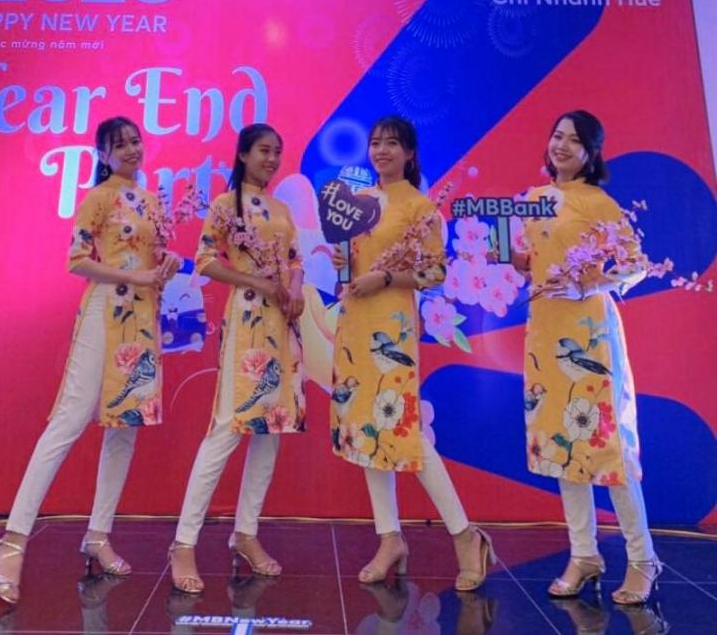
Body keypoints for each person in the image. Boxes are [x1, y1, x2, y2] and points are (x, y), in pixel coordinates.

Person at [0, 116, 181, 604]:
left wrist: (167, 267)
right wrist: (134, 277)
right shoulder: (98, 198)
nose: (132, 149)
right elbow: (77, 260)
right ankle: (12, 539)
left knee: (124, 427)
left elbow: (153, 263)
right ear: (103, 155)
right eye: (120, 145)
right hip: (105, 313)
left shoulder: (153, 200)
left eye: (136, 141)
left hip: (141, 319)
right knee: (70, 420)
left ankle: (98, 534)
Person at [331, 115, 496, 589]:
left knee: (404, 430)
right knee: (366, 431)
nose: (381, 151)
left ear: (409, 153)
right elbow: (351, 268)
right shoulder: (358, 202)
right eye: (375, 143)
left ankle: (465, 535)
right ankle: (390, 538)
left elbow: (435, 273)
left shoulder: (421, 207)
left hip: (392, 327)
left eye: (391, 143)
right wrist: (344, 264)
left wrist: (385, 278)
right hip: (355, 324)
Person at [516, 109, 661, 605]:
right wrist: (512, 255)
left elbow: (636, 265)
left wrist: (589, 284)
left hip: (590, 335)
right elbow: (533, 262)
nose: (561, 145)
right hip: (545, 334)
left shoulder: (598, 202)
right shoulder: (533, 200)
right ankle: (584, 554)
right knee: (562, 446)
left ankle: (643, 559)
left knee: (609, 449)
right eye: (556, 135)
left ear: (590, 152)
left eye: (573, 140)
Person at [169, 123, 305, 593]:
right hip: (247, 321)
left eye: (277, 151)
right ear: (243, 154)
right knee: (227, 428)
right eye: (264, 150)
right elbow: (206, 260)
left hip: (282, 326)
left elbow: (295, 259)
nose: (272, 159)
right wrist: (257, 283)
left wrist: (295, 288)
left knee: (271, 431)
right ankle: (183, 542)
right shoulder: (227, 205)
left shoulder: (282, 210)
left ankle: (246, 533)